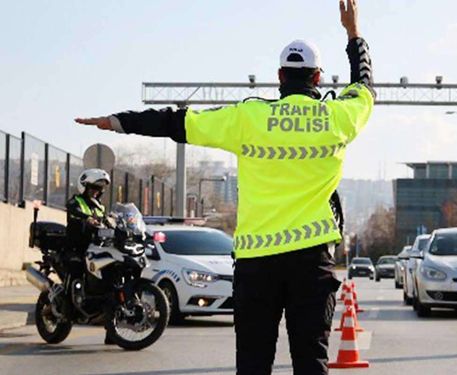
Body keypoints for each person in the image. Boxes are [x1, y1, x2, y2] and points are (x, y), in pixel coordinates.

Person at [75, 0, 373, 372]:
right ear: (317, 78)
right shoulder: (338, 118)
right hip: (311, 263)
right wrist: (353, 33)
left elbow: (177, 122)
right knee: (311, 362)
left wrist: (119, 121)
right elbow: (363, 85)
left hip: (256, 264)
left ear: (280, 77)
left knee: (252, 363)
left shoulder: (248, 117)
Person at [65, 168, 115, 344]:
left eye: (99, 189)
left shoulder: (100, 206)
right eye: (93, 188)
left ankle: (112, 331)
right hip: (76, 247)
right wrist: (86, 219)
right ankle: (68, 305)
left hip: (96, 249)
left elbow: (108, 222)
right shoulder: (76, 201)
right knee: (76, 271)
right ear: (84, 186)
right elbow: (73, 209)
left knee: (110, 284)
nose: (96, 191)